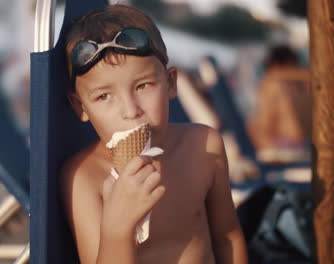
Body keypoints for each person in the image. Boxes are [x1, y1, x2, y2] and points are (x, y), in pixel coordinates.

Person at [60, 5, 247, 264]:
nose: (131, 111)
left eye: (143, 85)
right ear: (81, 107)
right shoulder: (84, 178)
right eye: (104, 96)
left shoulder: (204, 147)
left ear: (171, 83)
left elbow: (228, 237)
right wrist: (118, 227)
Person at [248, 45, 311, 164]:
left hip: (284, 150)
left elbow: (264, 124)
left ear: (274, 64)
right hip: (310, 146)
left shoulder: (271, 83)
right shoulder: (311, 81)